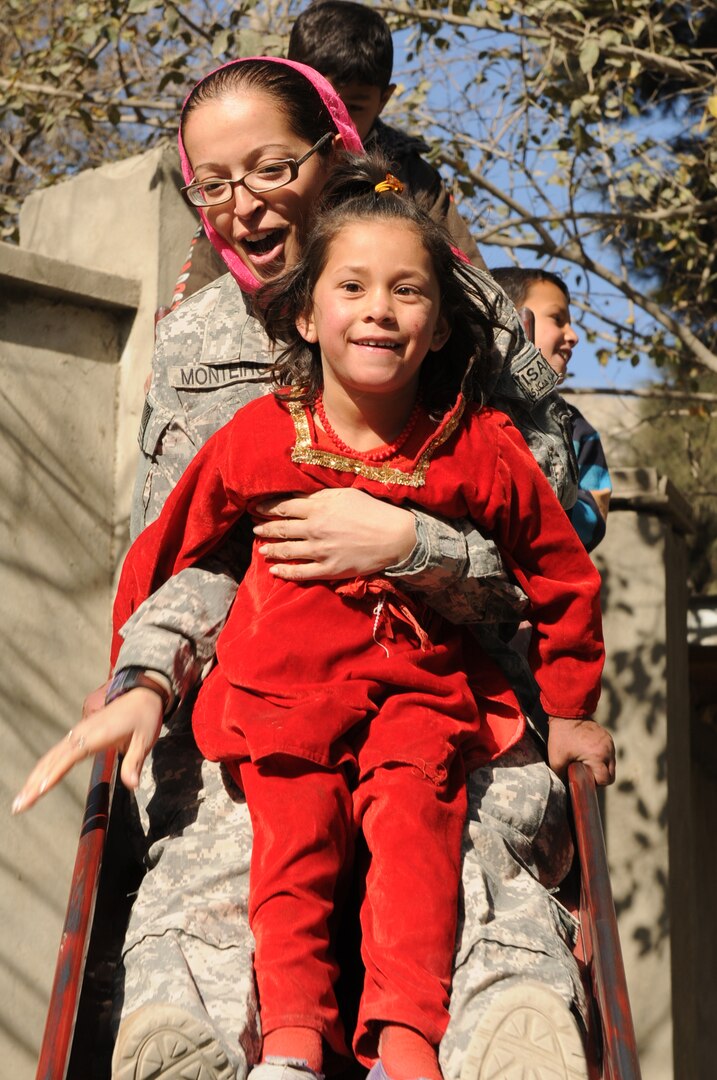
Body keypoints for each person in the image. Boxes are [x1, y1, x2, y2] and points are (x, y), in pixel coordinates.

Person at [13, 57, 602, 1080]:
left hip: (451, 672)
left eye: (273, 166)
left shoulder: (462, 326)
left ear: (338, 152)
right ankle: (190, 1028)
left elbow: (540, 565)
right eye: (213, 183)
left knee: (466, 833)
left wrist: (409, 547)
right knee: (221, 823)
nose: (243, 204)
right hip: (272, 668)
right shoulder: (202, 354)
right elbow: (185, 555)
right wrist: (143, 674)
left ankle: (508, 1025)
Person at [171, 1, 483, 309]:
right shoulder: (232, 204)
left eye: (354, 105)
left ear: (384, 99)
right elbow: (202, 278)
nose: (337, 112)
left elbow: (470, 282)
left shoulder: (409, 178)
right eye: (320, 96)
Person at [491, 267, 612, 552]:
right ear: (508, 322)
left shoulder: (576, 429)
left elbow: (593, 517)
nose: (573, 335)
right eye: (558, 319)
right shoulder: (458, 405)